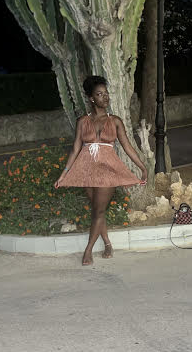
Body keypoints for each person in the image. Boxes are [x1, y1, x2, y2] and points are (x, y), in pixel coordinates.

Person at [55, 75, 147, 265]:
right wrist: (63, 175)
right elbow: (75, 150)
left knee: (98, 211)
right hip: (86, 169)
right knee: (98, 211)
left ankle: (88, 250)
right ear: (91, 98)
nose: (105, 97)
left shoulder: (115, 121)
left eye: (106, 94)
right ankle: (107, 244)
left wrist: (142, 167)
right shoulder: (82, 122)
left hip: (107, 170)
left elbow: (128, 147)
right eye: (100, 94)